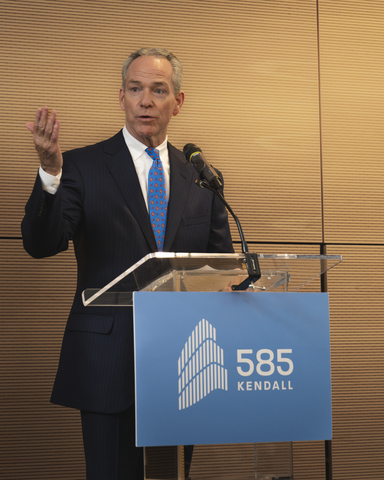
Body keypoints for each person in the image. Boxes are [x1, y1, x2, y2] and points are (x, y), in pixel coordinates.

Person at [21, 47, 233, 480]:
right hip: (107, 358)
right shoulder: (80, 167)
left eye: (158, 90)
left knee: (171, 474)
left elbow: (221, 268)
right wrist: (49, 174)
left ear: (179, 100)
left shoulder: (202, 176)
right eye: (135, 89)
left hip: (183, 362)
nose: (145, 100)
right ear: (121, 97)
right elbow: (41, 244)